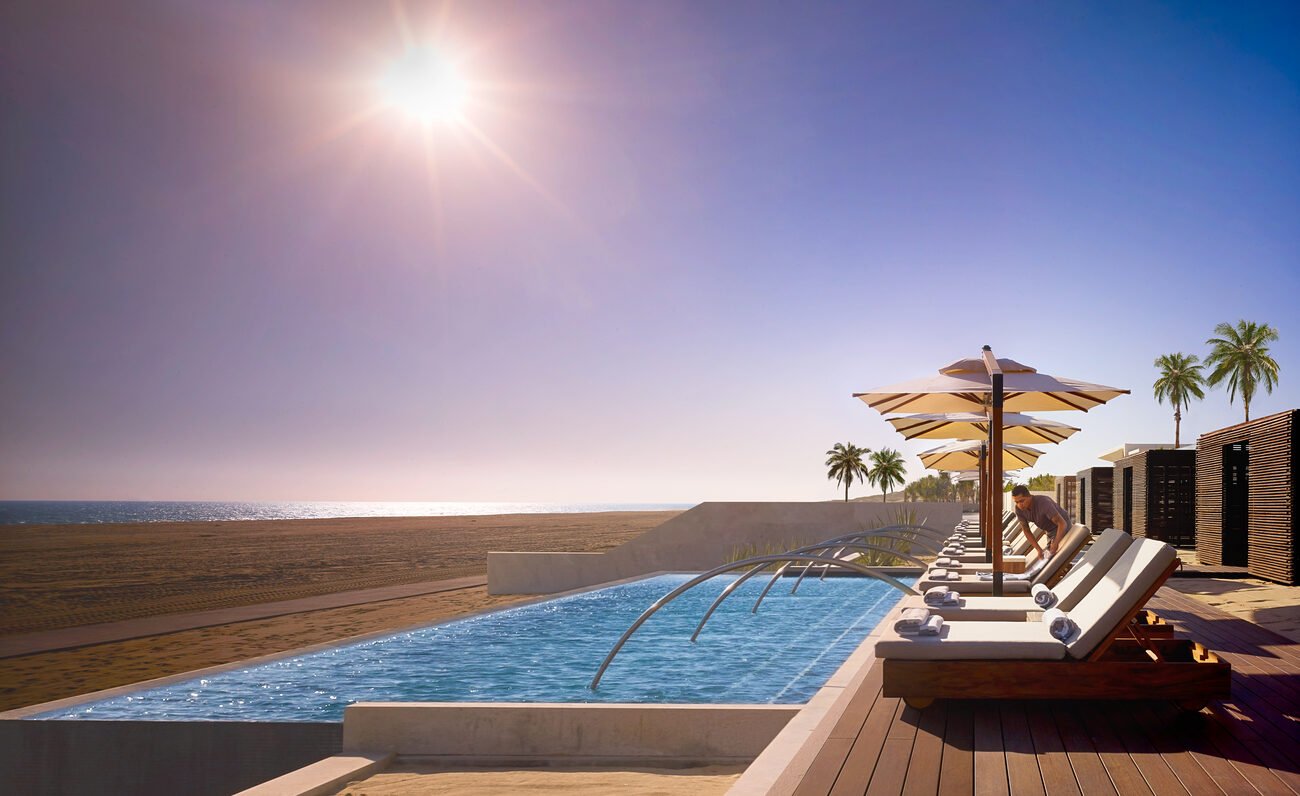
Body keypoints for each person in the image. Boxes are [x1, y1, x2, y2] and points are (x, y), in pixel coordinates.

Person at [1010, 484, 1071, 558]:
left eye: (1022, 501)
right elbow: (1026, 531)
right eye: (1016, 502)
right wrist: (1038, 549)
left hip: (1062, 527)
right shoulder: (1019, 509)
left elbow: (1062, 523)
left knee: (1053, 555)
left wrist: (1055, 543)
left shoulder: (1043, 502)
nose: (1019, 505)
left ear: (1029, 496)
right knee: (1047, 555)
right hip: (1049, 532)